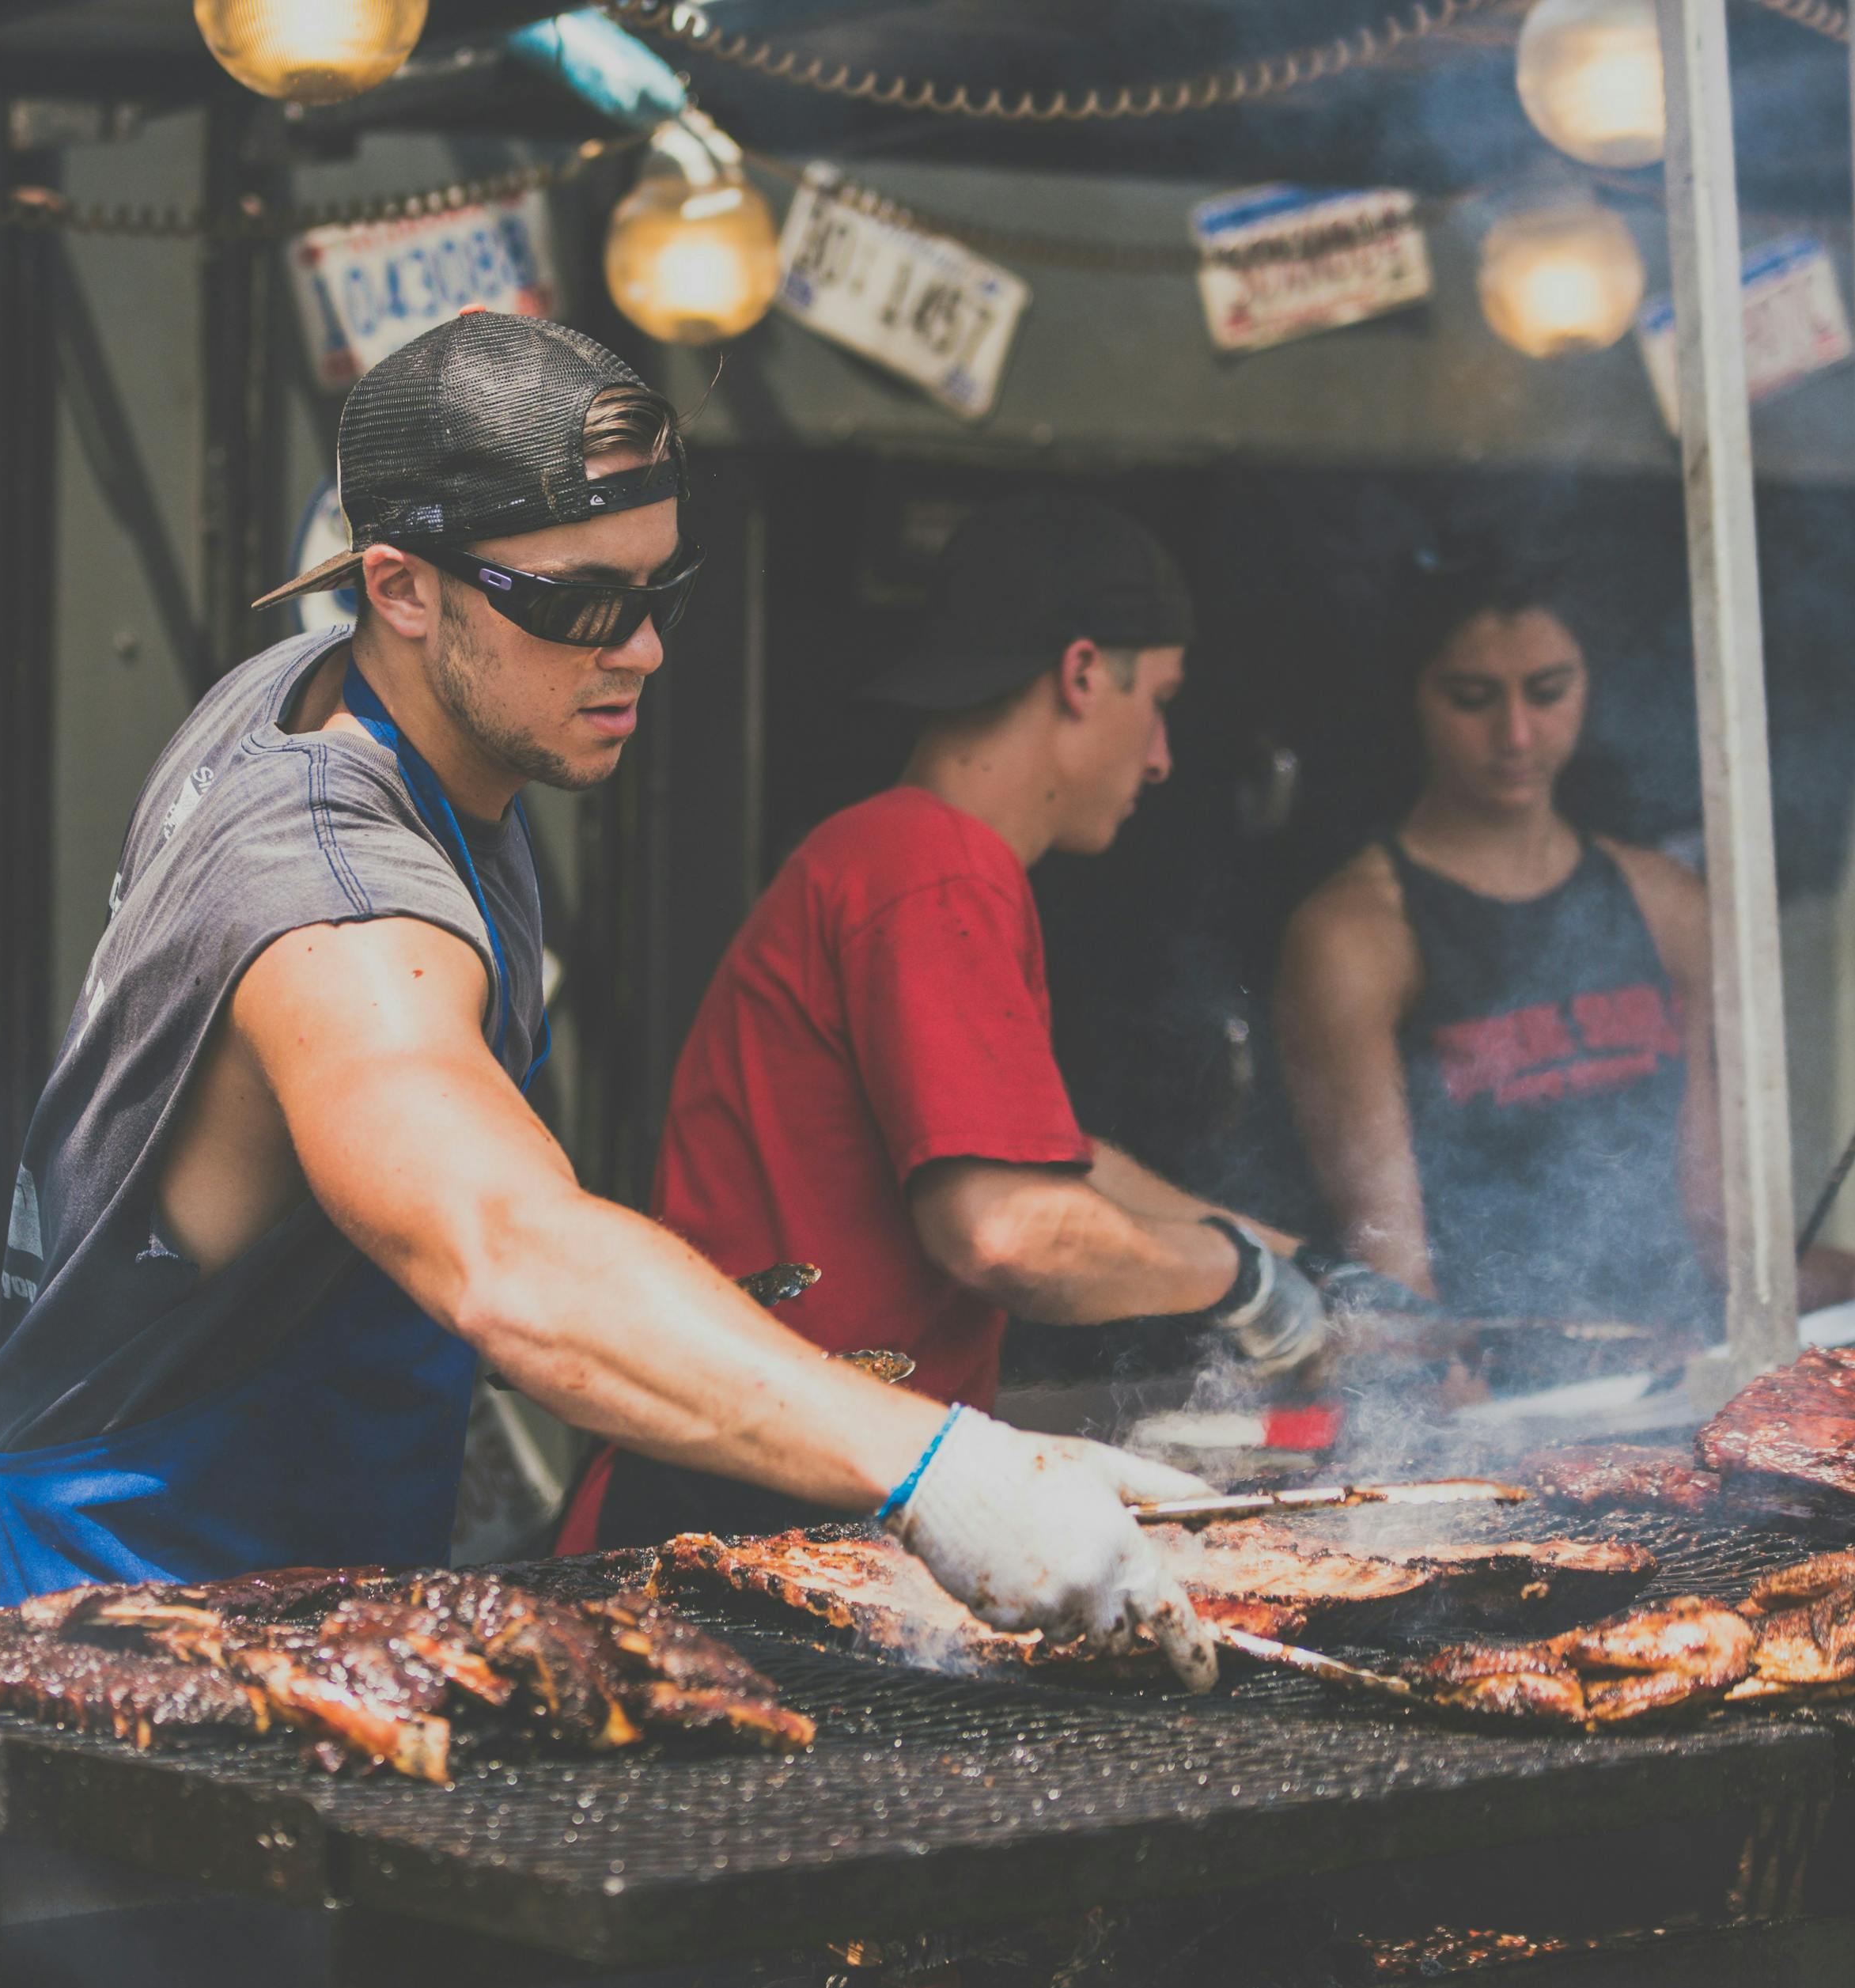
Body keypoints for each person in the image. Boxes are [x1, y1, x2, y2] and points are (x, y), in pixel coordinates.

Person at [0, 316, 1223, 1687]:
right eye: (580, 604)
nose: (643, 652)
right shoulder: (339, 903)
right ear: (400, 585)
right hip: (104, 1606)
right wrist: (942, 1465)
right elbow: (508, 1252)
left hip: (283, 1585)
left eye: (660, 593)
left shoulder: (340, 688)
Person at [562, 493, 1367, 1551]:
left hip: (778, 1488)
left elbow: (1061, 1166)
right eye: (1159, 700)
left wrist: (1311, 1261)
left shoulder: (900, 854)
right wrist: (1247, 1283)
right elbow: (1011, 1233)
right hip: (753, 1509)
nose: (1164, 755)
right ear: (1082, 673)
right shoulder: (933, 866)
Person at [1274, 544, 1751, 1333]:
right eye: (1473, 697)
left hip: (1677, 1368)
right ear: (1416, 697)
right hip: (1490, 1386)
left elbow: (1715, 1212)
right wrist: (1466, 1411)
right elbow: (1392, 1261)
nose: (1517, 733)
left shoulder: (1667, 903)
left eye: (1548, 691)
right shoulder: (1356, 933)